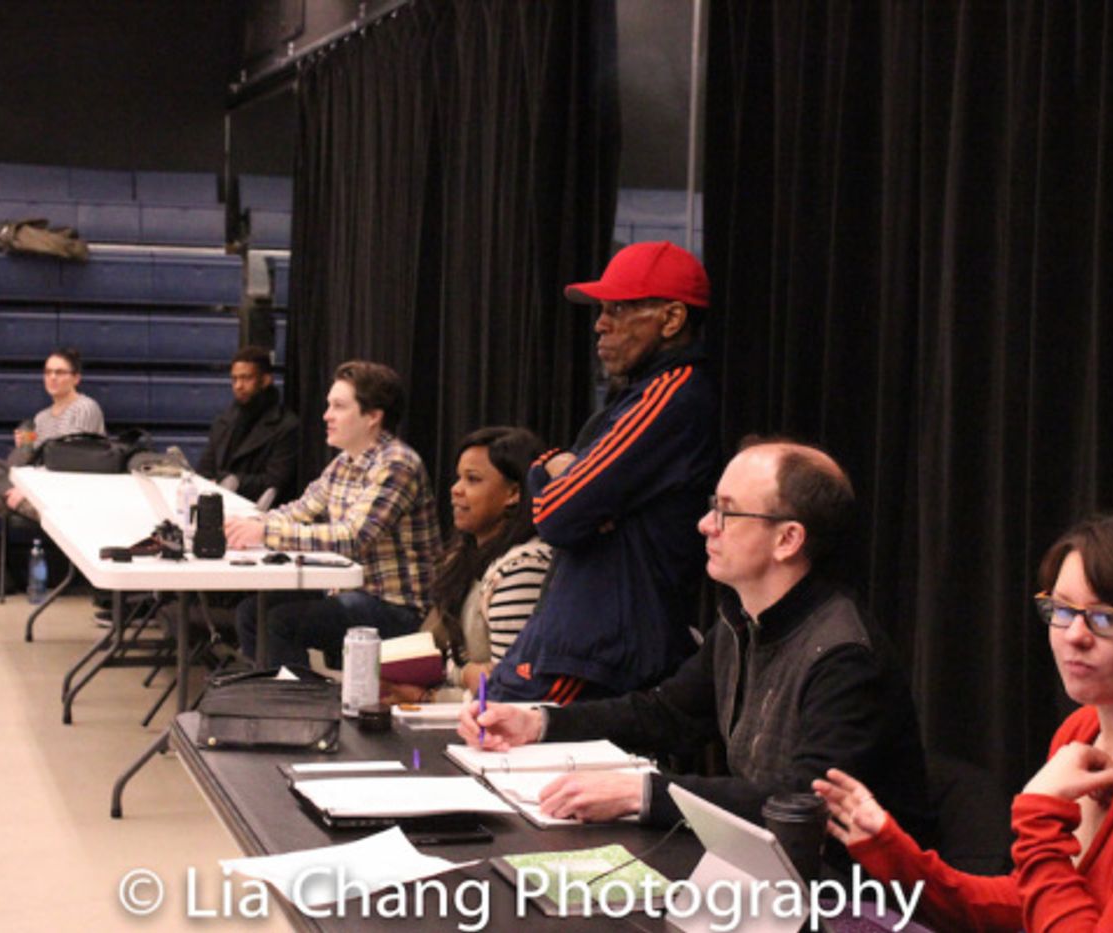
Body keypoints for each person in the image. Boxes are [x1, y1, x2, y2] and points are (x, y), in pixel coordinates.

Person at [460, 439, 935, 863]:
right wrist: (539, 722)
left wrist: (642, 792)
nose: (706, 524)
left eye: (727, 512)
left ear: (788, 539)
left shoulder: (844, 654)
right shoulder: (741, 622)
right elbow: (667, 713)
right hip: (766, 870)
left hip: (850, 895)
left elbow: (803, 802)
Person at [815, 514, 1113, 932]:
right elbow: (1035, 905)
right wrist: (892, 851)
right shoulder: (1082, 729)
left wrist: (1039, 821)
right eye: (1062, 610)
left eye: (1106, 618)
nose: (1074, 635)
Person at [488, 240, 721, 703]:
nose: (600, 324)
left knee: (502, 741)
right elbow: (553, 488)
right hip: (583, 636)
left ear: (672, 319)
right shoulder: (636, 396)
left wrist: (565, 479)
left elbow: (555, 514)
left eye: (618, 309)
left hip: (602, 646)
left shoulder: (671, 395)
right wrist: (550, 466)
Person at [227, 360, 442, 668]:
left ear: (373, 417)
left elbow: (353, 538)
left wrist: (264, 533)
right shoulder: (345, 462)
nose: (327, 416)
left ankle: (300, 711)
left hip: (396, 608)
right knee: (252, 613)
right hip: (352, 592)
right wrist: (249, 523)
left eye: (339, 406)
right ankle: (276, 699)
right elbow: (301, 510)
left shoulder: (396, 464)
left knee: (278, 622)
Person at [383, 426, 552, 703]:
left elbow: (510, 694)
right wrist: (460, 676)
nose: (456, 490)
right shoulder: (465, 556)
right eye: (459, 478)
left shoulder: (523, 569)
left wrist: (430, 697)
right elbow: (454, 662)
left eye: (472, 480)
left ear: (513, 493)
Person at [0, 347, 104, 521]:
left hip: (69, 483)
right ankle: (25, 504)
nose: (52, 377)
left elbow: (72, 460)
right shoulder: (42, 417)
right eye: (48, 372)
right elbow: (26, 461)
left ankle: (18, 503)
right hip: (40, 478)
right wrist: (26, 445)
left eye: (59, 372)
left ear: (76, 378)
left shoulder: (85, 407)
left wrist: (29, 487)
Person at [196, 345, 298, 507]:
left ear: (265, 380)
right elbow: (204, 470)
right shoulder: (224, 421)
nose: (238, 386)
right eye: (234, 379)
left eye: (246, 378)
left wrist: (229, 480)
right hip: (218, 510)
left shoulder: (286, 426)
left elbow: (274, 481)